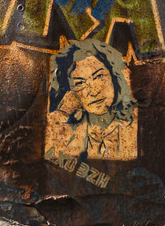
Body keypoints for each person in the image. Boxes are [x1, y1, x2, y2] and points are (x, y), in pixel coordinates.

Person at [44, 39, 138, 168]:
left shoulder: (135, 127)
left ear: (115, 77)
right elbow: (51, 161)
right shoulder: (70, 132)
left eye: (99, 76)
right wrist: (62, 114)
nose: (93, 91)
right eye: (80, 83)